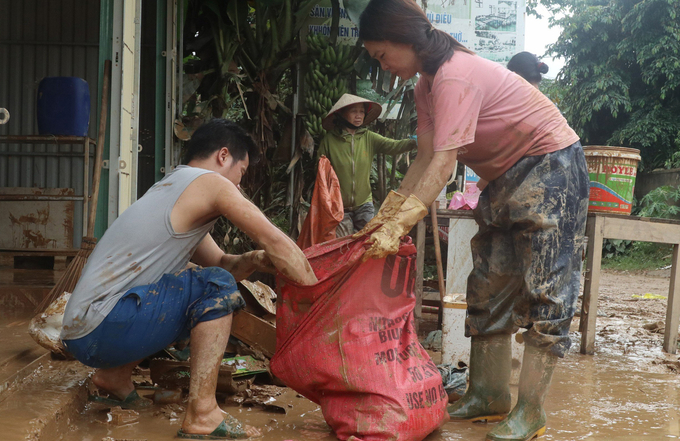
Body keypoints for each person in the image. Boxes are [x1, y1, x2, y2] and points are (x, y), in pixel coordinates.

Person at [358, 1, 589, 440]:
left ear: (405, 38)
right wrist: (386, 218)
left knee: (548, 289)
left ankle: (531, 411)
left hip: (550, 165)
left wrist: (398, 226)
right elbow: (424, 157)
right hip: (503, 176)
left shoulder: (455, 75)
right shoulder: (425, 86)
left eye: (383, 55)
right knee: (489, 283)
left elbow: (444, 165)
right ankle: (488, 394)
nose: (384, 68)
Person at [60, 119, 318, 439]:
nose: (239, 183)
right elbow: (275, 242)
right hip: (103, 324)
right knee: (214, 285)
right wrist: (318, 298)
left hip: (83, 331)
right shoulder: (210, 182)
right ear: (223, 156)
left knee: (209, 278)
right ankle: (203, 413)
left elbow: (224, 262)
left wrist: (252, 260)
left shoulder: (172, 188)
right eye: (242, 171)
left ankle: (114, 376)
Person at [317, 93, 416, 236]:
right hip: (338, 206)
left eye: (362, 112)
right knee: (341, 247)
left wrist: (414, 142)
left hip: (364, 204)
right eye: (354, 111)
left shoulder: (369, 137)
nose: (358, 115)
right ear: (342, 114)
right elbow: (320, 172)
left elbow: (394, 146)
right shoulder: (329, 141)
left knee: (368, 243)